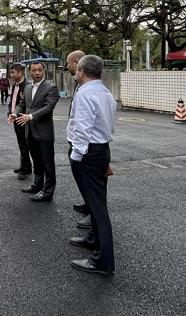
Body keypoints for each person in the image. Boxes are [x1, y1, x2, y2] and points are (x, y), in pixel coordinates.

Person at [67, 55, 116, 275]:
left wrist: (76, 156)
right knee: (97, 200)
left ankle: (102, 261)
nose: (75, 73)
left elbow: (82, 128)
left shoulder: (84, 93)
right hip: (102, 150)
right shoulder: (105, 92)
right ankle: (93, 239)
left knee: (97, 207)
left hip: (88, 153)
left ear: (81, 71)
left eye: (77, 69)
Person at [8, 61, 59, 201]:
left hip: (44, 132)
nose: (37, 73)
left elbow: (48, 107)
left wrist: (30, 116)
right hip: (30, 131)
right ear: (29, 72)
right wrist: (15, 113)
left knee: (48, 163)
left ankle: (48, 192)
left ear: (44, 71)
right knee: (36, 161)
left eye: (40, 70)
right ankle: (37, 185)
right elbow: (22, 104)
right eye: (34, 70)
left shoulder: (51, 87)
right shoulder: (28, 87)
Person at [66, 50, 92, 229]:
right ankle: (89, 203)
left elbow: (85, 122)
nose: (67, 66)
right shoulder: (79, 83)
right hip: (76, 139)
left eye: (68, 63)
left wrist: (77, 150)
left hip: (85, 144)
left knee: (88, 177)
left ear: (77, 63)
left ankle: (93, 212)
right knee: (82, 177)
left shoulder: (88, 87)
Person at [6, 64, 32, 180]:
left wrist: (18, 114)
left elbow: (25, 104)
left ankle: (24, 169)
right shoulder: (15, 85)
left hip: (22, 119)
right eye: (10, 72)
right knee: (21, 143)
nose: (11, 75)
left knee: (24, 145)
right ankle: (27, 166)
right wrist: (10, 112)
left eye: (13, 72)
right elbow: (12, 100)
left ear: (20, 72)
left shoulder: (27, 86)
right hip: (15, 118)